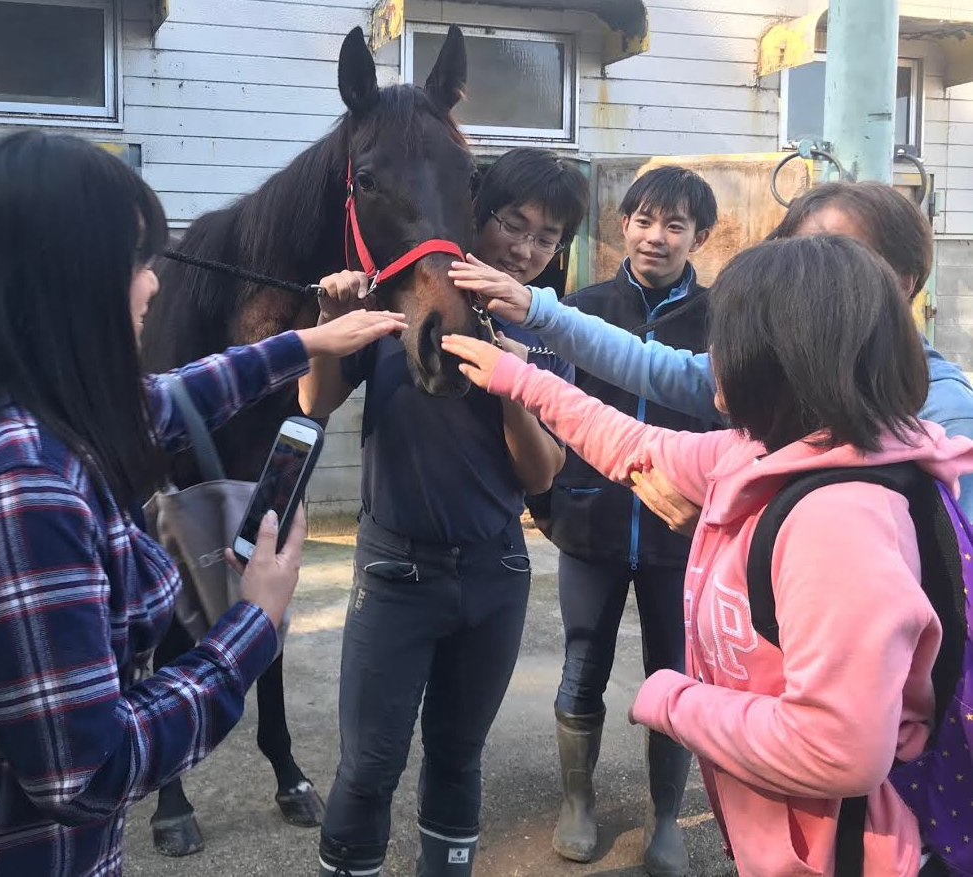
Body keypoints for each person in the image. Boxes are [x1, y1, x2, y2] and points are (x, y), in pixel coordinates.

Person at [0, 131, 406, 877]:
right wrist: (253, 622)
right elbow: (87, 772)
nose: (153, 284)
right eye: (136, 262)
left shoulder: (24, 409)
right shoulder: (14, 495)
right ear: (70, 282)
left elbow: (173, 397)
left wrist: (309, 338)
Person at [443, 233, 970, 877]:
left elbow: (839, 750)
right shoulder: (767, 452)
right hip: (786, 839)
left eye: (727, 337)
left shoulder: (839, 520)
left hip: (848, 854)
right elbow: (632, 443)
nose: (709, 356)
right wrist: (518, 379)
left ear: (782, 355)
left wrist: (674, 700)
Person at [299, 147, 585, 876]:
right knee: (369, 763)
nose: (523, 248)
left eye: (545, 237)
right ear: (473, 217)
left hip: (496, 571)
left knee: (459, 755)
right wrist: (333, 322)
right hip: (395, 570)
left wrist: (513, 384)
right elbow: (316, 401)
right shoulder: (406, 304)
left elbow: (543, 474)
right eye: (511, 224)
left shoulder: (550, 335)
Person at [454, 181, 973, 529]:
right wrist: (534, 329)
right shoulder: (780, 379)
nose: (808, 274)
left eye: (839, 254)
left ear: (901, 283)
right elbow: (638, 424)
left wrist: (730, 526)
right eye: (796, 253)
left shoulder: (943, 419)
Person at [502, 166, 720, 874]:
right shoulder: (580, 308)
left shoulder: (722, 321)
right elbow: (541, 406)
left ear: (701, 237)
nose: (656, 237)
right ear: (624, 223)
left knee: (674, 676)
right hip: (592, 530)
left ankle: (665, 820)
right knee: (582, 665)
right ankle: (578, 801)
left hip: (680, 537)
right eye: (644, 219)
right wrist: (554, 509)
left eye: (675, 224)